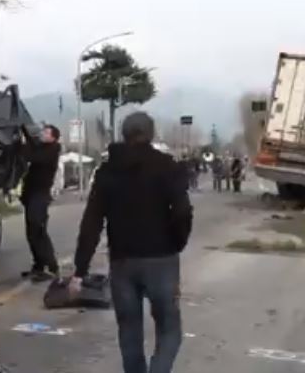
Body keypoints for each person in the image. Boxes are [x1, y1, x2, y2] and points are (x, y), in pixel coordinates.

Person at [71, 112, 193, 373]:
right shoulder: (168, 167)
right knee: (170, 329)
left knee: (129, 332)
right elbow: (183, 211)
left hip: (122, 262)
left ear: (123, 135)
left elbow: (91, 222)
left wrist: (80, 269)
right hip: (162, 259)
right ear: (151, 134)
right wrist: (177, 242)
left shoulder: (107, 172)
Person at [21, 124, 62, 282]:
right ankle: (39, 266)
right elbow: (32, 145)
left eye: (46, 132)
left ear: (53, 137)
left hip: (40, 195)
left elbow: (34, 157)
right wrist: (24, 130)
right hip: (31, 195)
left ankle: (51, 267)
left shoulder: (52, 150)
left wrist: (24, 148)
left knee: (38, 229)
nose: (42, 134)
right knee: (31, 232)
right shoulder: (42, 147)